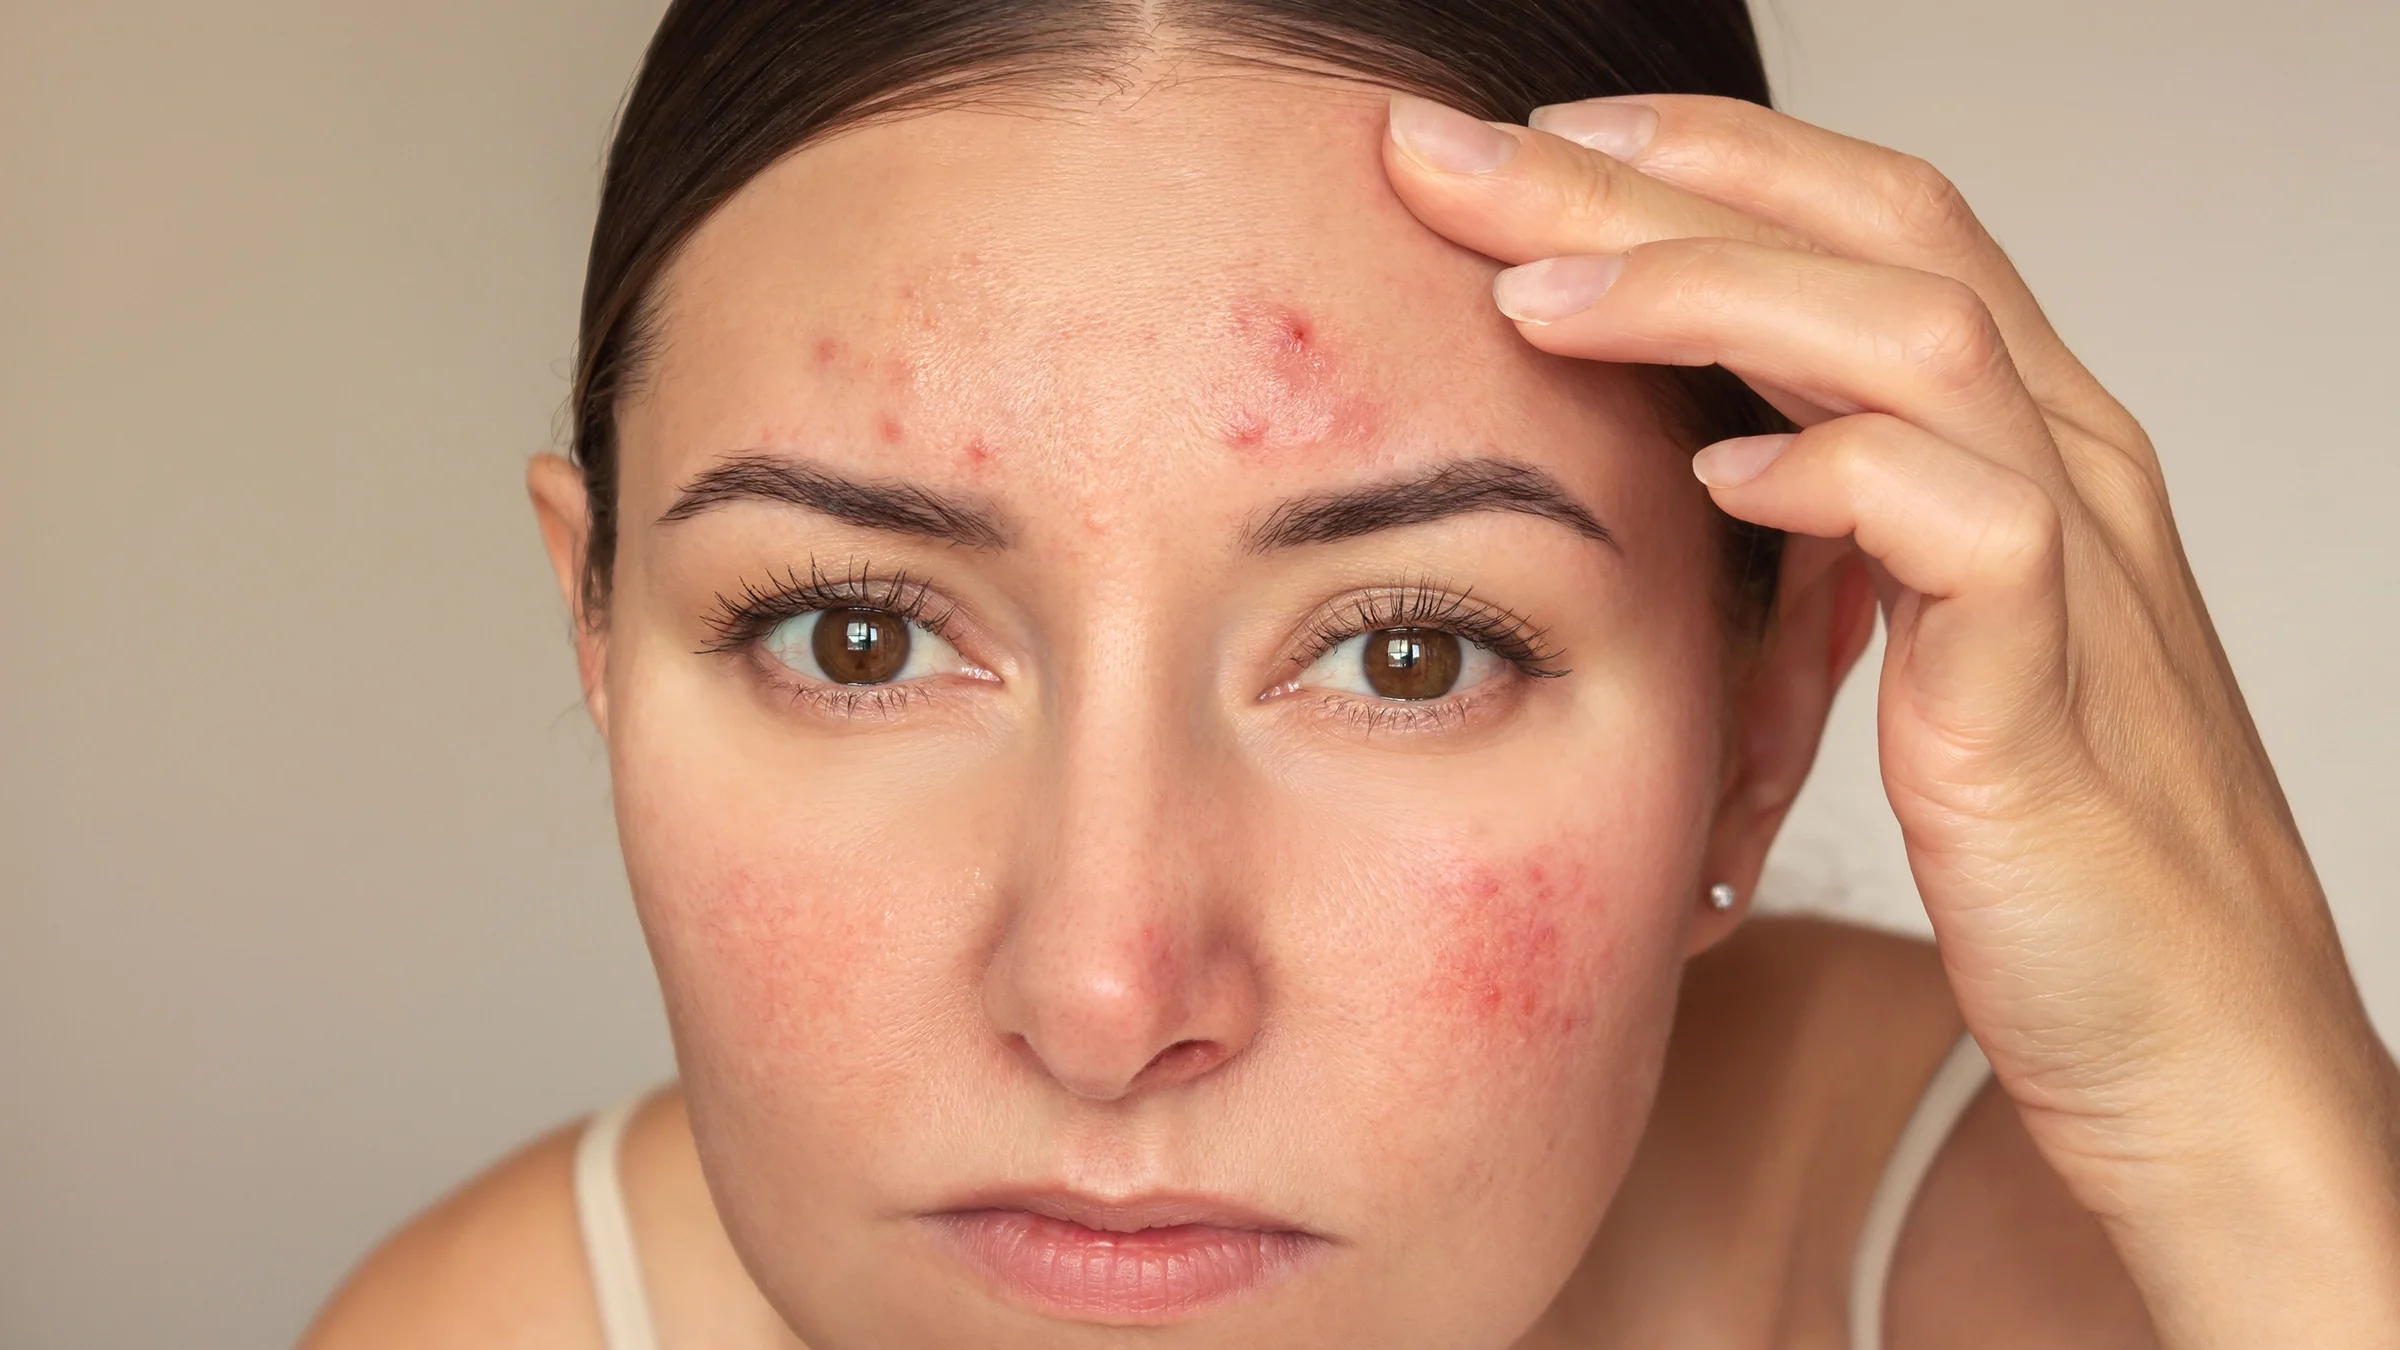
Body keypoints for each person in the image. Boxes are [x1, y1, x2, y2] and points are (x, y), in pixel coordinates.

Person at [302, 1, 2400, 1346]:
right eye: (859, 634)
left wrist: (2274, 1159)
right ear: (597, 634)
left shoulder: (2063, 1269)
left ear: (1763, 723)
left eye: (1410, 653)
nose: (1108, 997)